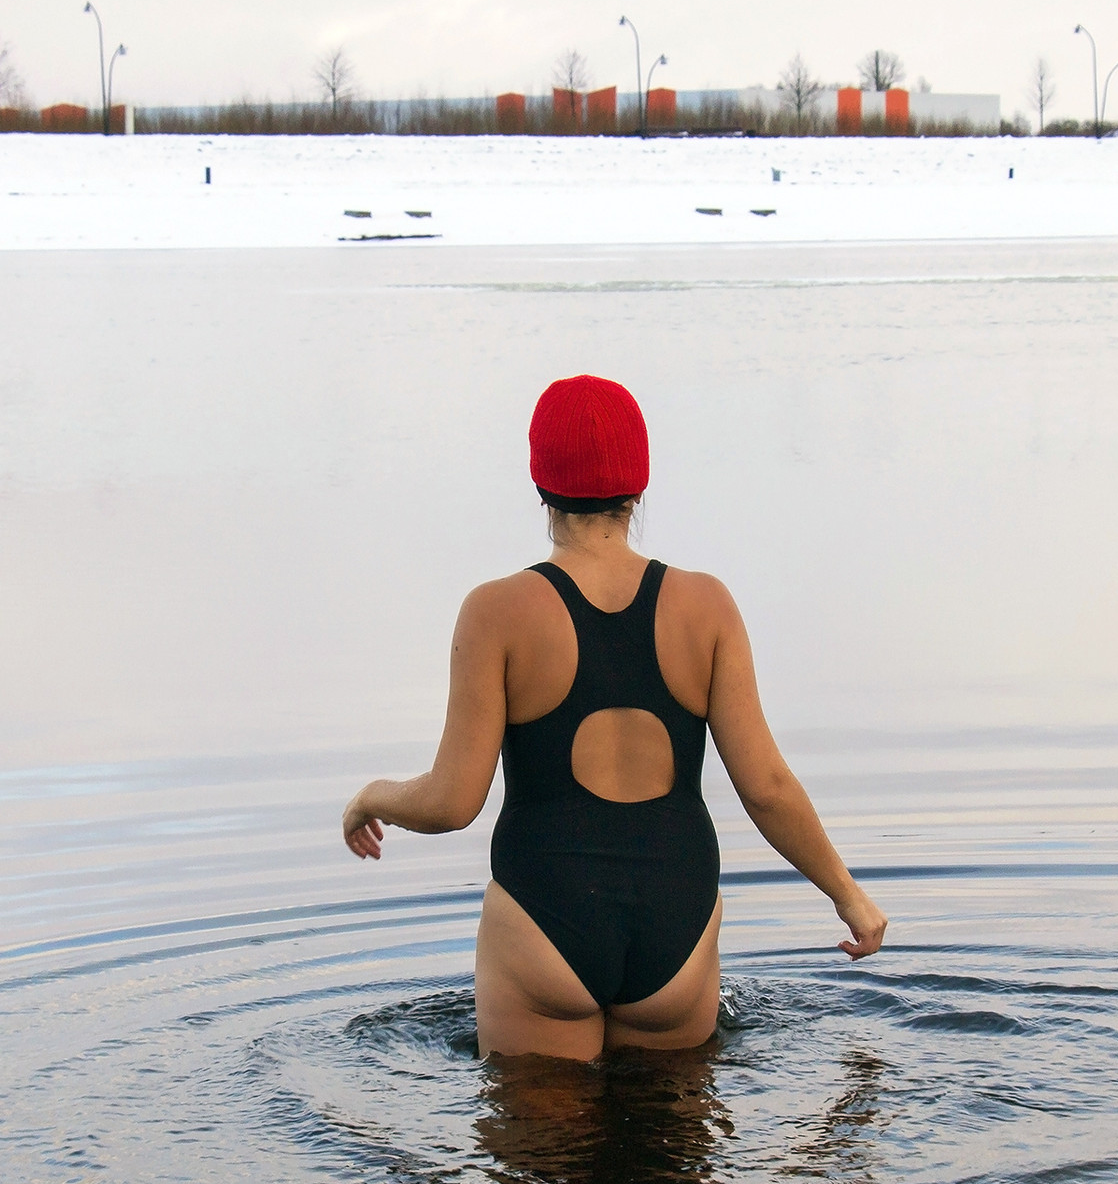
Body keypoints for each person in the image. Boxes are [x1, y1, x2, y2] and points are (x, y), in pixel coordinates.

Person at [341, 375, 886, 1060]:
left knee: (541, 1166)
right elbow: (768, 788)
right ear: (639, 484)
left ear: (540, 482)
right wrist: (848, 897)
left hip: (544, 926)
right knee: (672, 1165)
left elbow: (453, 801)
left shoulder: (497, 612)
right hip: (676, 930)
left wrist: (370, 796)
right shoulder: (706, 606)